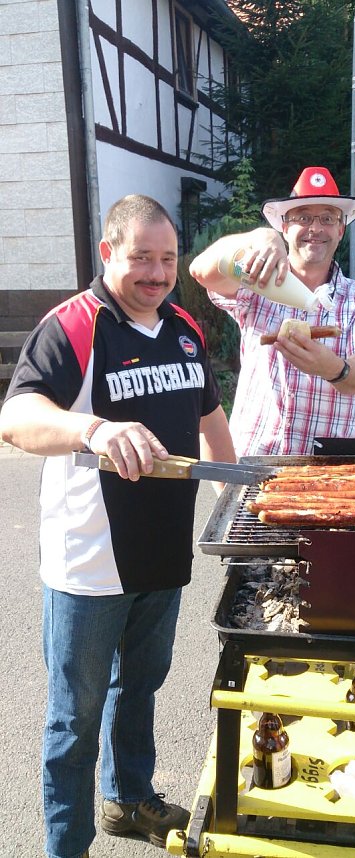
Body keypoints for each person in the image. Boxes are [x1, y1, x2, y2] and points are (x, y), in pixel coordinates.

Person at [0, 194, 236, 858]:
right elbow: (15, 418)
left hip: (162, 557)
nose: (158, 273)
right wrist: (93, 429)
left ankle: (129, 800)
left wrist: (239, 503)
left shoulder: (184, 326)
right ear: (109, 253)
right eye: (142, 258)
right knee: (73, 720)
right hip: (89, 564)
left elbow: (211, 423)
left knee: (139, 686)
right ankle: (64, 846)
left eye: (167, 259)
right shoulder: (73, 326)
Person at [189, 166, 355, 456]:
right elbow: (201, 270)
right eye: (303, 217)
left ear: (341, 229)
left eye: (328, 218)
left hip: (332, 468)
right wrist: (258, 237)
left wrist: (329, 367)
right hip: (257, 458)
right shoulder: (258, 280)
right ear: (284, 227)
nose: (316, 228)